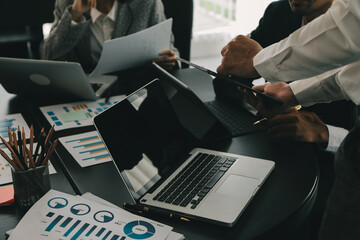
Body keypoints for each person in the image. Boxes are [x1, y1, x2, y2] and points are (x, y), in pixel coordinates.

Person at [217, 0, 360, 238]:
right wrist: (290, 95)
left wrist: (324, 133)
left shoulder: (346, 25)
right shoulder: (279, 13)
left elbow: (349, 30)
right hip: (274, 148)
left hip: (328, 161)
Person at [40, 0, 179, 73]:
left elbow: (172, 52)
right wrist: (75, 14)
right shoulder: (67, 3)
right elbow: (48, 56)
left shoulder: (147, 3)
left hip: (136, 92)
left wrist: (169, 61)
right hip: (86, 94)